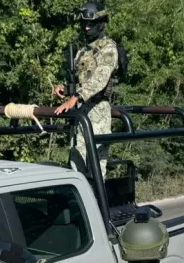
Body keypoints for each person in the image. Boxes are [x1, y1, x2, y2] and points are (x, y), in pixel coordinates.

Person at [54, 1, 120, 179]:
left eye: (90, 24)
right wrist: (65, 89)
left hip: (98, 110)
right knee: (76, 164)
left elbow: (100, 78)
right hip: (80, 111)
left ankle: (97, 204)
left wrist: (75, 97)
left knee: (96, 167)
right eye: (83, 24)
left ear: (100, 23)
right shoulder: (82, 52)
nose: (86, 28)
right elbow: (79, 80)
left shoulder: (108, 48)